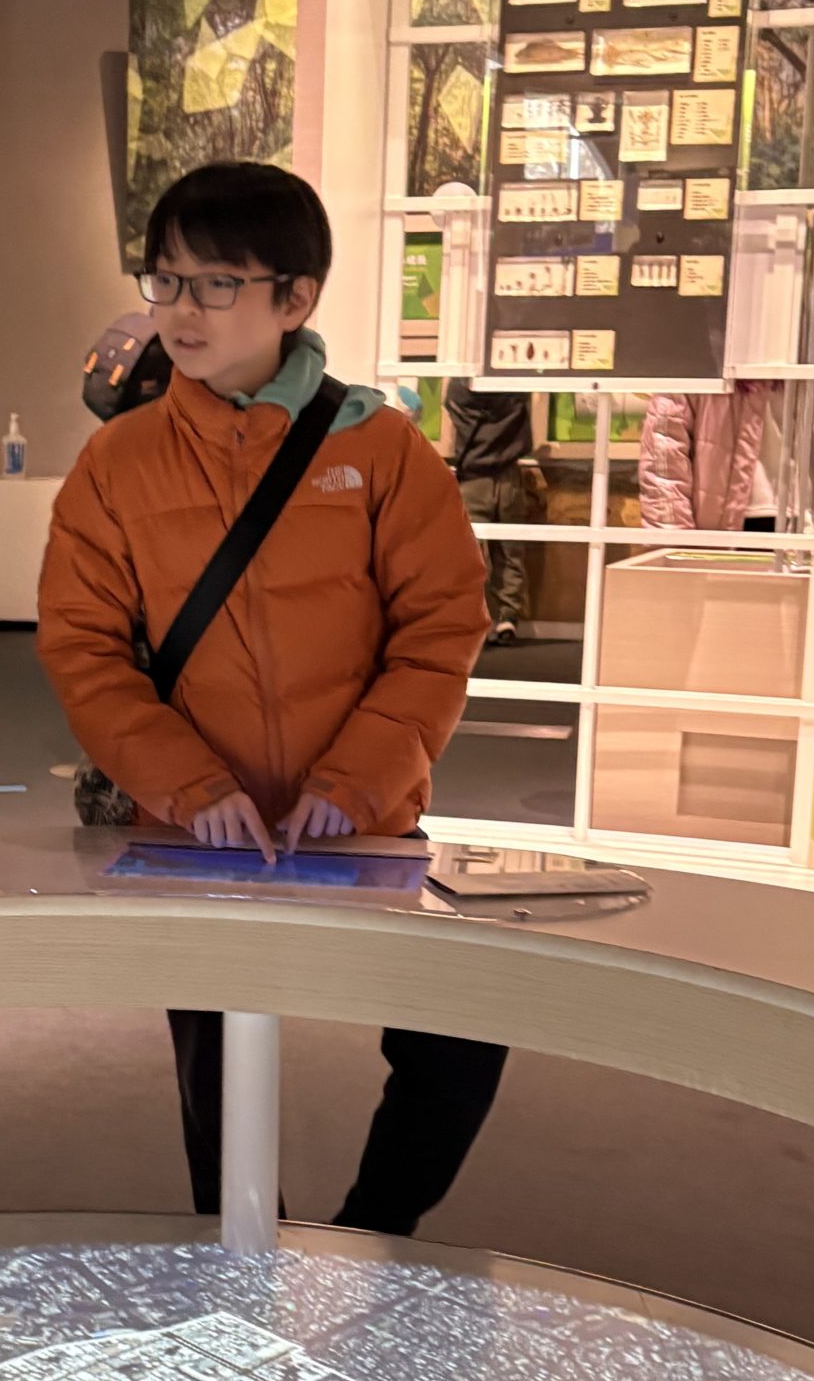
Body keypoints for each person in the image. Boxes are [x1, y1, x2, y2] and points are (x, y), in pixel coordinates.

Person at [38, 161, 507, 1236]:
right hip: (194, 834)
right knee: (218, 1067)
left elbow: (441, 627)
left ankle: (375, 1237)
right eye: (165, 280)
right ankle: (249, 1265)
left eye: (216, 283)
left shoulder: (381, 451)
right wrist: (186, 785)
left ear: (295, 298)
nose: (181, 311)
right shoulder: (117, 462)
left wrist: (360, 782)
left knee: (460, 1028)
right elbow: (83, 647)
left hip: (363, 822)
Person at [444, 377, 532, 646]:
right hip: (509, 476)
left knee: (467, 554)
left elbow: (451, 405)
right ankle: (508, 616)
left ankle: (467, 617)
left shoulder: (460, 389)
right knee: (510, 550)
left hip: (473, 479)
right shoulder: (513, 387)